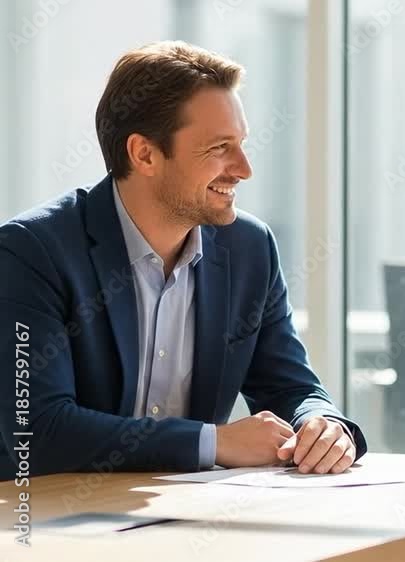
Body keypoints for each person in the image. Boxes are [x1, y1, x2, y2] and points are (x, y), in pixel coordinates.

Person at [0, 41, 365, 480]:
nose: (244, 168)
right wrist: (213, 441)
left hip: (187, 519)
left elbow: (291, 387)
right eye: (219, 148)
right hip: (48, 529)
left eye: (241, 144)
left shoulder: (249, 249)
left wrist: (322, 427)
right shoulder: (29, 251)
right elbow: (35, 432)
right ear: (145, 154)